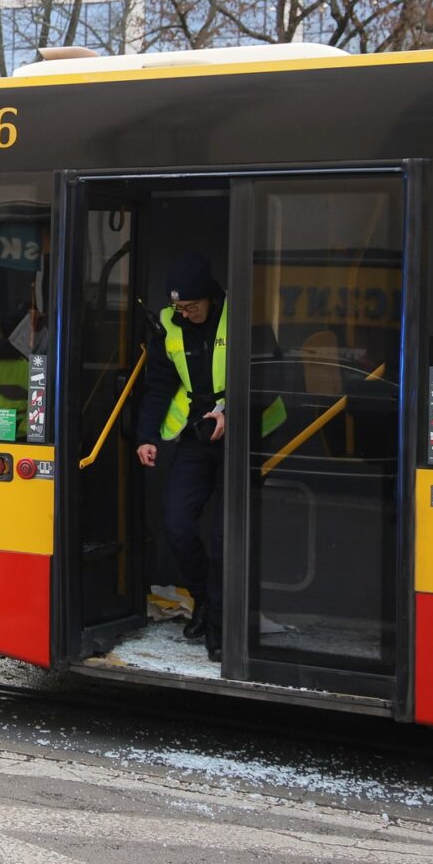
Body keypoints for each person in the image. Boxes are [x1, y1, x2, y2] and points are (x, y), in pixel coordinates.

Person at [133, 253, 283, 663]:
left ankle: (219, 626)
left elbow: (271, 377)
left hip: (248, 435)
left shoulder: (244, 317)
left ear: (211, 298)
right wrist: (147, 437)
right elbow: (160, 384)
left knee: (222, 537)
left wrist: (230, 412)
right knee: (178, 525)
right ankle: (203, 600)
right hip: (199, 434)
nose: (186, 314)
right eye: (180, 307)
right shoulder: (170, 324)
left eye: (192, 306)